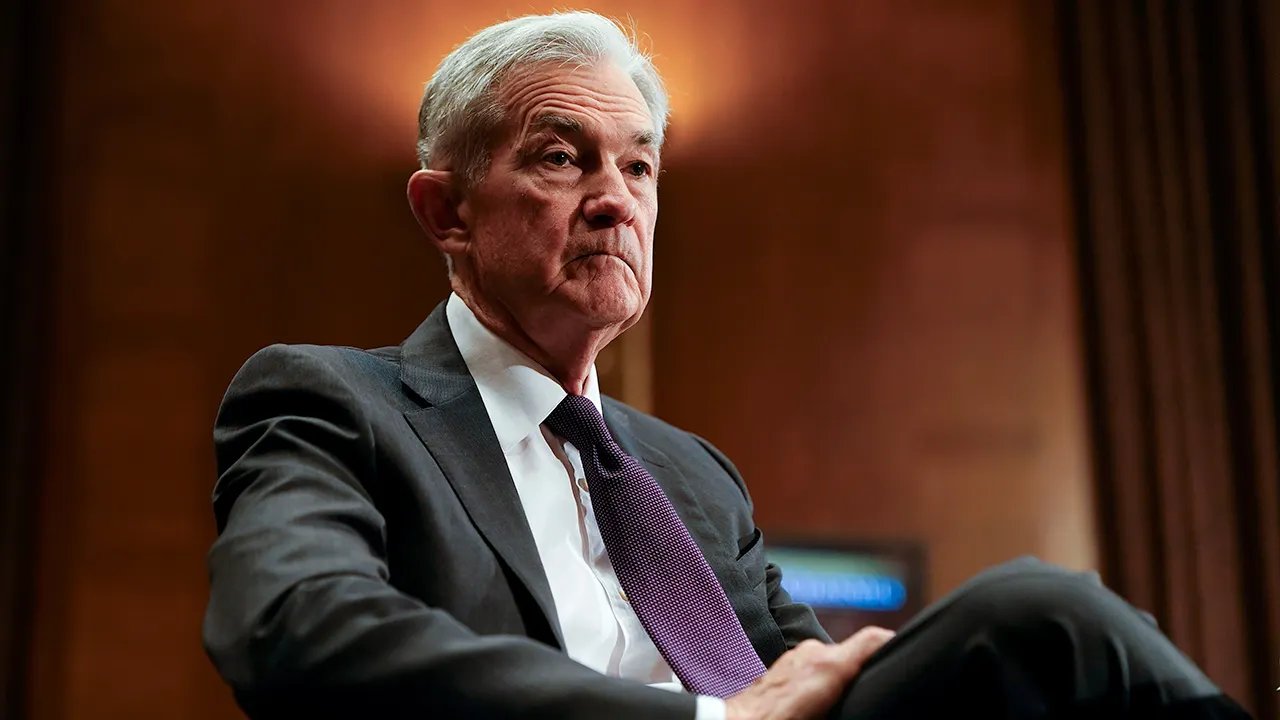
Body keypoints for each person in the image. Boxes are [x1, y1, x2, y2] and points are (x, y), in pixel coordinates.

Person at [203, 11, 1251, 720]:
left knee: (1043, 650)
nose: (615, 200)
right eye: (562, 157)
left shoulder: (693, 476)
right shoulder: (332, 403)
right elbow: (292, 626)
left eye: (639, 165)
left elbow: (806, 682)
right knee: (1037, 616)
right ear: (447, 212)